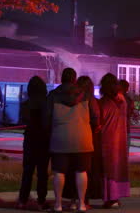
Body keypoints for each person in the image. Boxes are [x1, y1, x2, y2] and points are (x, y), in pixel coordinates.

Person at [46, 68, 94, 213]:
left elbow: (46, 118)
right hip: (83, 138)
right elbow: (96, 116)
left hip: (60, 138)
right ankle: (81, 204)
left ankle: (58, 204)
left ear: (62, 78)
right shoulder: (85, 95)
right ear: (74, 79)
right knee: (81, 171)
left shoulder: (53, 95)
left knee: (59, 172)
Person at [17, 76, 50, 210]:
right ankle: (41, 201)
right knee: (42, 173)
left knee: (27, 172)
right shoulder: (47, 103)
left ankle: (22, 200)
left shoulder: (25, 104)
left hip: (30, 139)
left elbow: (23, 120)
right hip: (43, 140)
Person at [99, 73, 130, 208]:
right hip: (121, 138)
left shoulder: (104, 103)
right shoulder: (122, 101)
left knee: (108, 169)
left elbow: (99, 121)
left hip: (107, 138)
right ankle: (116, 197)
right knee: (118, 167)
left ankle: (110, 197)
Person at [118, 79, 135, 149]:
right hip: (125, 127)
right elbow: (130, 112)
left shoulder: (117, 98)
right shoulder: (129, 100)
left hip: (118, 128)